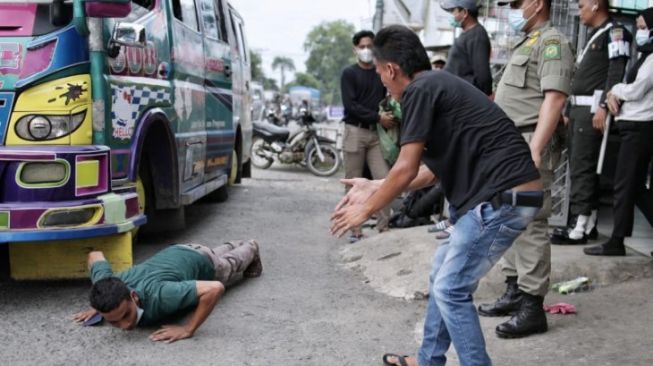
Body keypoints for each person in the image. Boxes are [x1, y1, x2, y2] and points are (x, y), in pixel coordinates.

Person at [331, 25, 543, 366]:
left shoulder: (421, 89)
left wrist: (367, 209)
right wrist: (373, 186)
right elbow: (424, 171)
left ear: (390, 69)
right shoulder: (435, 87)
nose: (383, 86)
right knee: (441, 275)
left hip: (502, 200)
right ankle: (429, 359)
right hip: (497, 198)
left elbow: (404, 169)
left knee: (451, 289)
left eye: (382, 77)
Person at [478, 0, 574, 339]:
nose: (515, 9)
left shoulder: (552, 42)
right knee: (509, 218)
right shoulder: (528, 41)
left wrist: (534, 150)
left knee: (531, 221)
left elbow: (554, 98)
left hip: (530, 142)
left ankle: (532, 307)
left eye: (519, 3)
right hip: (511, 144)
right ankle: (514, 289)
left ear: (537, 3)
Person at [551, 0, 631, 245]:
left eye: (582, 5)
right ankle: (589, 223)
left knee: (583, 166)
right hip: (578, 108)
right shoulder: (595, 34)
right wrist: (568, 107)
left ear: (596, 5)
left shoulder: (616, 33)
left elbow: (616, 72)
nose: (579, 11)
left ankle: (579, 225)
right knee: (579, 166)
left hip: (592, 109)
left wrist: (604, 106)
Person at [72, 240, 262, 343]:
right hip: (181, 250)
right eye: (113, 321)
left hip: (204, 263)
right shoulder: (106, 283)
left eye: (125, 315)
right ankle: (232, 243)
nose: (124, 325)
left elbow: (214, 289)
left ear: (134, 296)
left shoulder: (160, 295)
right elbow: (94, 255)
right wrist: (100, 307)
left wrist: (188, 329)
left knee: (229, 265)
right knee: (211, 251)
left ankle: (251, 247)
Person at [584, 7, 653, 256]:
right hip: (633, 126)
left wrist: (615, 90)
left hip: (640, 128)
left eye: (644, 27)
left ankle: (616, 242)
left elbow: (636, 91)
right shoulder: (645, 56)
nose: (640, 32)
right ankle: (617, 240)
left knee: (625, 186)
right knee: (634, 189)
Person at [340, 30, 395, 242]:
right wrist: (378, 117)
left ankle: (384, 227)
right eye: (362, 46)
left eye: (370, 46)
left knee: (385, 179)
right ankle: (355, 229)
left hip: (377, 135)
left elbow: (387, 99)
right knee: (353, 181)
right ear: (355, 49)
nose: (366, 50)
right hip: (355, 131)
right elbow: (351, 106)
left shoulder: (379, 72)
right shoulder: (349, 74)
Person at [441, 0, 493, 95]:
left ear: (464, 13)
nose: (451, 14)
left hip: (462, 96)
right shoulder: (467, 33)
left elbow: (483, 77)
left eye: (453, 10)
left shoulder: (477, 35)